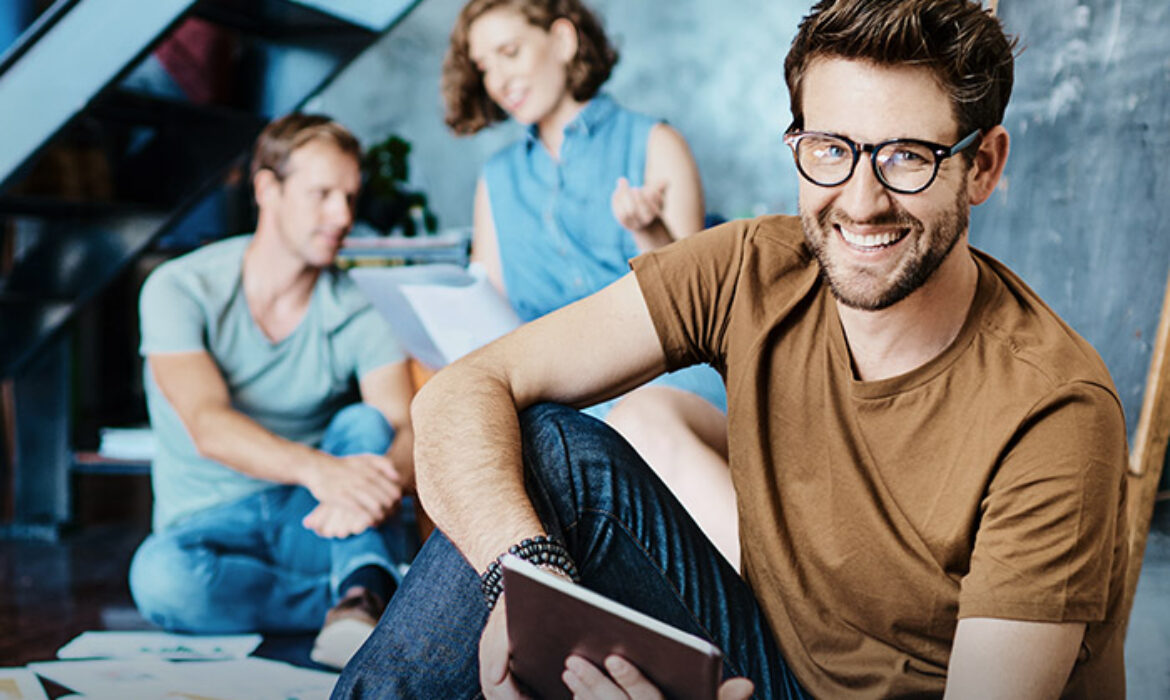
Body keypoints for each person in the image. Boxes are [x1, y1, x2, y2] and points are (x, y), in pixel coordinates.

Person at [334, 0, 1129, 697]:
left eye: (907, 158)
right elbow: (459, 391)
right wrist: (530, 584)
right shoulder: (753, 265)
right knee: (546, 450)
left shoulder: (1053, 412)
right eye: (830, 148)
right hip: (774, 661)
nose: (860, 199)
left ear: (982, 166)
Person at [442, 0, 738, 565]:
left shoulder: (655, 142)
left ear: (563, 40)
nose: (498, 79)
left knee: (631, 425)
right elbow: (491, 309)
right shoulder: (497, 179)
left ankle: (788, 624)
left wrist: (649, 230)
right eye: (484, 66)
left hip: (665, 376)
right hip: (557, 391)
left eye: (509, 52)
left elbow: (696, 308)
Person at [128, 113, 419, 670]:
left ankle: (359, 592)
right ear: (267, 188)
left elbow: (402, 427)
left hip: (314, 518)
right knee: (161, 579)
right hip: (209, 522)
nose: (343, 217)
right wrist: (320, 471)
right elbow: (207, 423)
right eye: (322, 195)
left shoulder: (359, 306)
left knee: (365, 426)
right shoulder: (179, 288)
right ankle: (365, 592)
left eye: (350, 197)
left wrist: (371, 479)